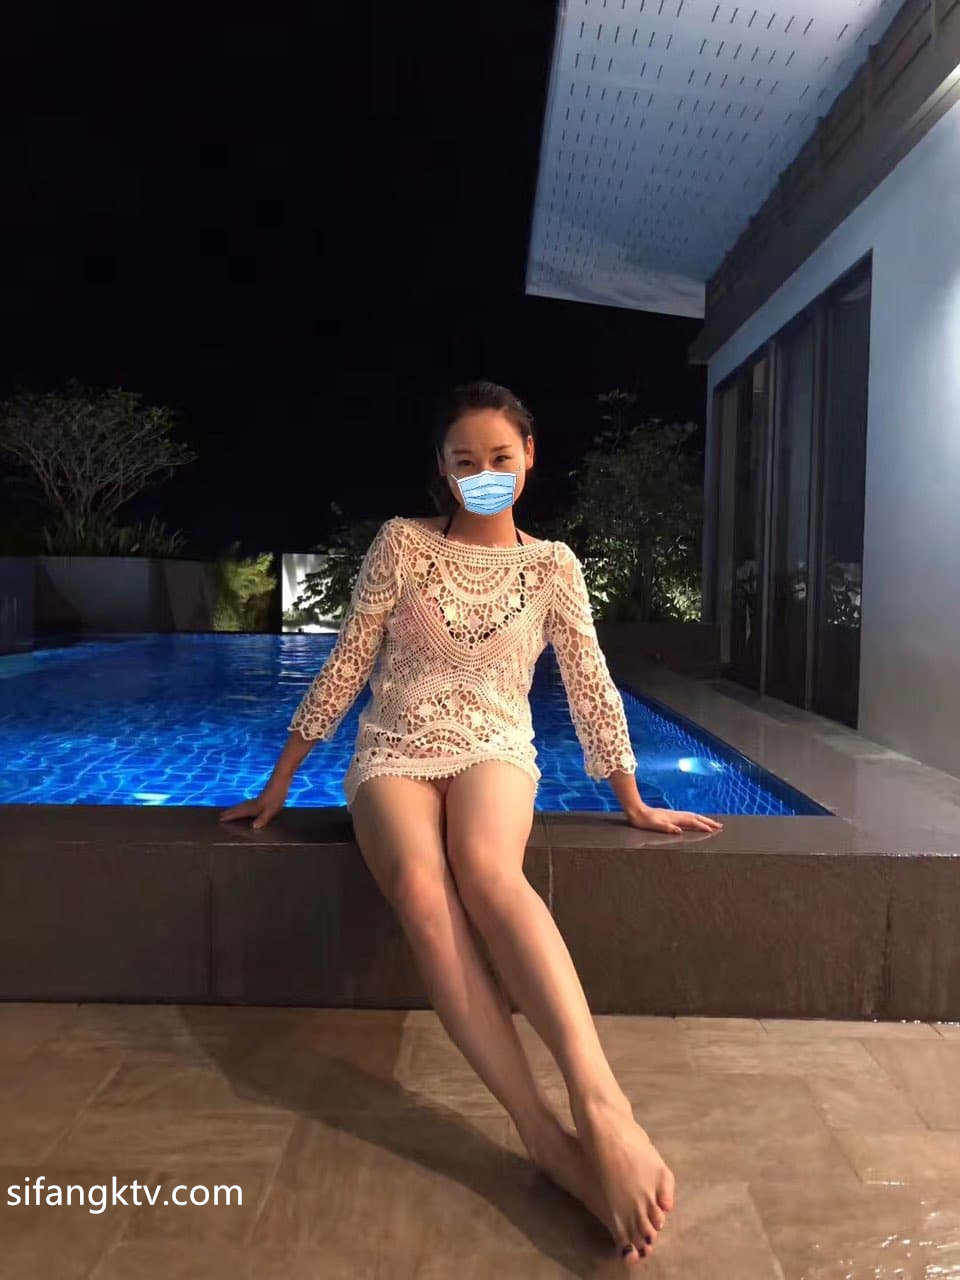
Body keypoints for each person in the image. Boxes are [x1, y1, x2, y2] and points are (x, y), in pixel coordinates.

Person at [220, 380, 723, 1265]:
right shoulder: (402, 544)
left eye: (500, 457)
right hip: (396, 746)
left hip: (494, 743)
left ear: (528, 458)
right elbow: (349, 663)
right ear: (443, 471)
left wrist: (632, 798)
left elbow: (590, 683)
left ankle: (602, 1106)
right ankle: (542, 1136)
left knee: (488, 869)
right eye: (465, 461)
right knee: (422, 888)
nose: (484, 473)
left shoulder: (554, 566)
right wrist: (281, 780)